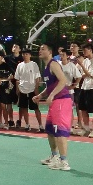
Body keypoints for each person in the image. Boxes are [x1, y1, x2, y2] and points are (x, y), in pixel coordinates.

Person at [33, 43, 73, 171]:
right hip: (55, 101)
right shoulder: (46, 67)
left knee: (60, 131)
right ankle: (54, 156)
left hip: (61, 101)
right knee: (50, 130)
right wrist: (41, 95)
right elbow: (50, 86)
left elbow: (63, 81)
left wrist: (51, 95)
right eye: (39, 49)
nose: (40, 51)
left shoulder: (53, 64)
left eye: (43, 49)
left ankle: (64, 161)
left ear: (50, 52)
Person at [13, 48, 42, 131]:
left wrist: (36, 89)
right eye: (23, 54)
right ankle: (27, 124)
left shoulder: (34, 64)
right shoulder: (20, 65)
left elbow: (37, 78)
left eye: (27, 54)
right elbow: (17, 78)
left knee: (36, 108)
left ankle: (40, 125)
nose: (25, 56)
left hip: (32, 89)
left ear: (30, 55)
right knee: (24, 108)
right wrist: (17, 89)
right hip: (22, 89)